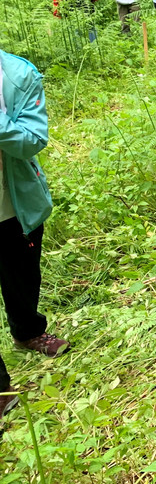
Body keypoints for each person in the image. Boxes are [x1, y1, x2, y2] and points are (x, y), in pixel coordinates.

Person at [0, 48, 69, 362]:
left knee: (22, 271)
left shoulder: (17, 75)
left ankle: (27, 331)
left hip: (14, 200)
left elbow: (33, 139)